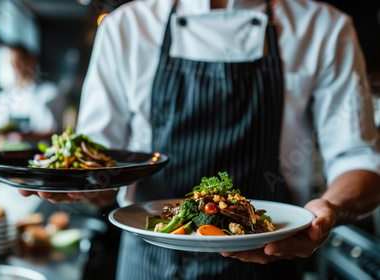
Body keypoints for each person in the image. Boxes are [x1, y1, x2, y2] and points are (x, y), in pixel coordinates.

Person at [20, 0, 380, 279]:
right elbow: (104, 165)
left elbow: (360, 160)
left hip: (270, 257)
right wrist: (81, 185)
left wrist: (329, 208)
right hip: (148, 263)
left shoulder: (323, 28)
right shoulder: (125, 27)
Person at [0, 44, 66, 148]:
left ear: (31, 60)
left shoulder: (49, 93)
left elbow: (56, 133)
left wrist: (28, 136)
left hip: (41, 157)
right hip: (8, 157)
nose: (16, 67)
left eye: (19, 61)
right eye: (12, 63)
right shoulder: (3, 97)